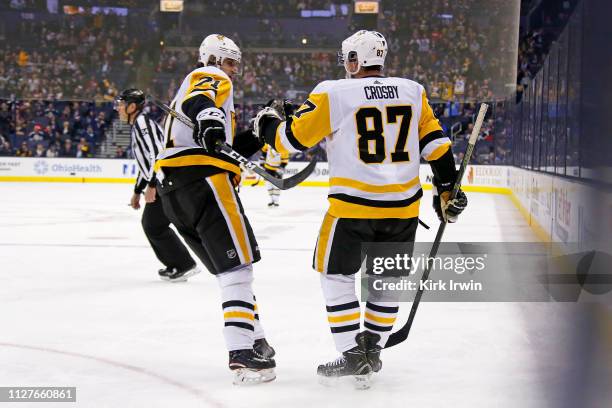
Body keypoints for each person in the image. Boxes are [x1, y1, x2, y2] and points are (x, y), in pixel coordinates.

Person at [253, 30, 468, 385]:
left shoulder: (332, 91)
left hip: (352, 210)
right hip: (402, 210)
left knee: (336, 276)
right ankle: (374, 351)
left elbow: (288, 141)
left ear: (354, 60)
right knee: (387, 281)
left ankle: (353, 354)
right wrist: (446, 187)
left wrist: (267, 123)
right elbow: (436, 144)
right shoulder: (413, 90)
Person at [153, 34, 276, 384]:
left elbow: (224, 146)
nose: (233, 70)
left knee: (228, 271)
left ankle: (256, 338)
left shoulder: (216, 93)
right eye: (230, 62)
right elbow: (200, 99)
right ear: (214, 58)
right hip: (204, 181)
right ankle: (242, 354)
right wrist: (209, 118)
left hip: (175, 191)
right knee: (238, 268)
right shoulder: (211, 77)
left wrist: (258, 131)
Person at [115, 88, 199, 282]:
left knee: (153, 225)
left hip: (165, 181)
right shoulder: (139, 124)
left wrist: (152, 185)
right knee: (155, 224)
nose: (118, 108)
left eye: (121, 104)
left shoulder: (143, 123)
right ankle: (181, 263)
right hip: (164, 180)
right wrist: (138, 191)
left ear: (132, 107)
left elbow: (156, 155)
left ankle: (183, 264)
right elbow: (146, 163)